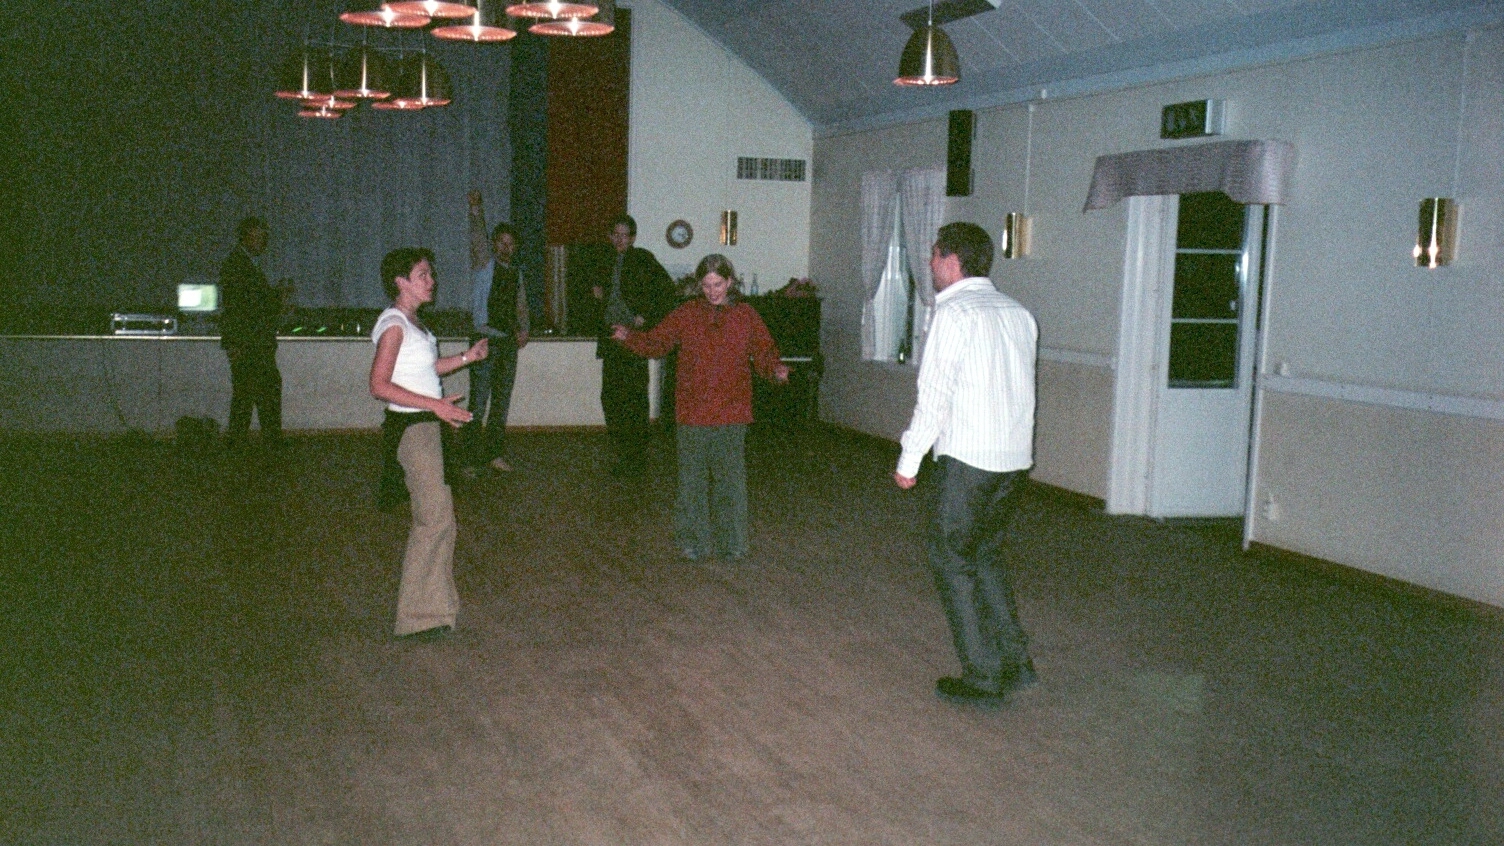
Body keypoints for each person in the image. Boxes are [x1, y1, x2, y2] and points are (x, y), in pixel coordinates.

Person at [893, 221, 1039, 706]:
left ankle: (982, 675)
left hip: (969, 460)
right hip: (1013, 460)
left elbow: (934, 394)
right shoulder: (1019, 313)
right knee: (985, 555)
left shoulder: (953, 313)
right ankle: (1016, 661)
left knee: (951, 560)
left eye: (934, 255)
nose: (930, 264)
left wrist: (909, 459)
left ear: (951, 260)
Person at [612, 254, 789, 561]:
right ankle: (693, 541)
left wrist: (775, 369)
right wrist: (629, 338)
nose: (712, 291)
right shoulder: (687, 313)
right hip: (692, 411)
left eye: (717, 284)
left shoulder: (746, 315)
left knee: (730, 482)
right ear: (699, 285)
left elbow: (764, 351)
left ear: (730, 282)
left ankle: (733, 543)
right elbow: (657, 342)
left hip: (732, 411)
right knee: (691, 481)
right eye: (706, 285)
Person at [369, 247, 488, 641]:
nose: (431, 280)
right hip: (413, 429)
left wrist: (467, 357)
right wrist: (435, 404)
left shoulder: (412, 323)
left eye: (430, 274)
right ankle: (418, 617)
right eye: (423, 274)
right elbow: (379, 385)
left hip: (426, 426)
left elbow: (425, 369)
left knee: (441, 518)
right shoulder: (394, 325)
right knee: (433, 520)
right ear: (400, 282)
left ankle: (436, 609)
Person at [593, 214, 676, 476]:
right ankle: (622, 452)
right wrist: (598, 297)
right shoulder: (604, 261)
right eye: (615, 234)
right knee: (611, 397)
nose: (619, 239)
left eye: (624, 235)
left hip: (633, 338)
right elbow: (595, 297)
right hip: (611, 338)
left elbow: (666, 291)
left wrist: (645, 317)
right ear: (610, 236)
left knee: (634, 398)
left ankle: (636, 456)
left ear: (633, 238)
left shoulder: (642, 259)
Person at [464, 190, 530, 474]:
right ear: (494, 244)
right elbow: (477, 238)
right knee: (478, 403)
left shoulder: (516, 273)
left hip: (507, 344)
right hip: (484, 340)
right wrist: (476, 210)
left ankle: (494, 454)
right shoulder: (484, 264)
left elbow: (521, 304)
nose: (506, 248)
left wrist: (524, 329)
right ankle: (468, 460)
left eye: (510, 244)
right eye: (501, 242)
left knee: (501, 403)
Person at [219, 216, 289, 449]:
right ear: (245, 237)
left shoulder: (240, 264)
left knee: (248, 394)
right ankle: (268, 441)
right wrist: (277, 296)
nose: (262, 242)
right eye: (257, 237)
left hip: (249, 342)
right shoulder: (239, 266)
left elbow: (241, 306)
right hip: (251, 343)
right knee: (261, 392)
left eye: (263, 237)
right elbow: (241, 308)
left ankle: (242, 442)